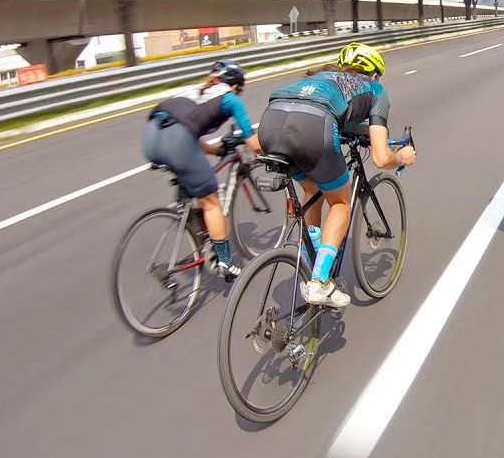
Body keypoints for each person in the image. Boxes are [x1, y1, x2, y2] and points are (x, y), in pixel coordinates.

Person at [258, 42, 416, 308]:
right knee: (341, 202)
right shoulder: (375, 90)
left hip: (270, 123)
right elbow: (380, 157)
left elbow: (344, 117)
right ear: (374, 74)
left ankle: (312, 260)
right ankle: (319, 282)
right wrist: (402, 157)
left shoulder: (323, 79)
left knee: (313, 189)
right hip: (312, 127)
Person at [143, 60, 262, 279]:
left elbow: (186, 131)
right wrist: (275, 153)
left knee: (192, 186)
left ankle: (192, 224)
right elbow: (253, 143)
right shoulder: (230, 98)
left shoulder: (194, 91)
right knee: (211, 201)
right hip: (177, 141)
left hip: (151, 137)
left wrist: (217, 151)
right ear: (235, 86)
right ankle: (224, 262)